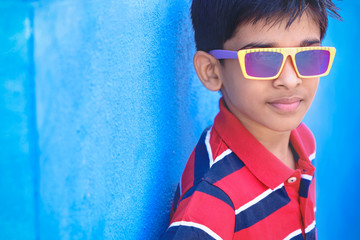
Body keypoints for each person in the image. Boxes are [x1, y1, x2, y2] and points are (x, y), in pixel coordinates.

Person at [161, 0, 341, 239]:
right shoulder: (211, 202)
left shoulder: (302, 140)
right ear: (212, 71)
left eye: (307, 55)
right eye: (263, 59)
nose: (290, 80)